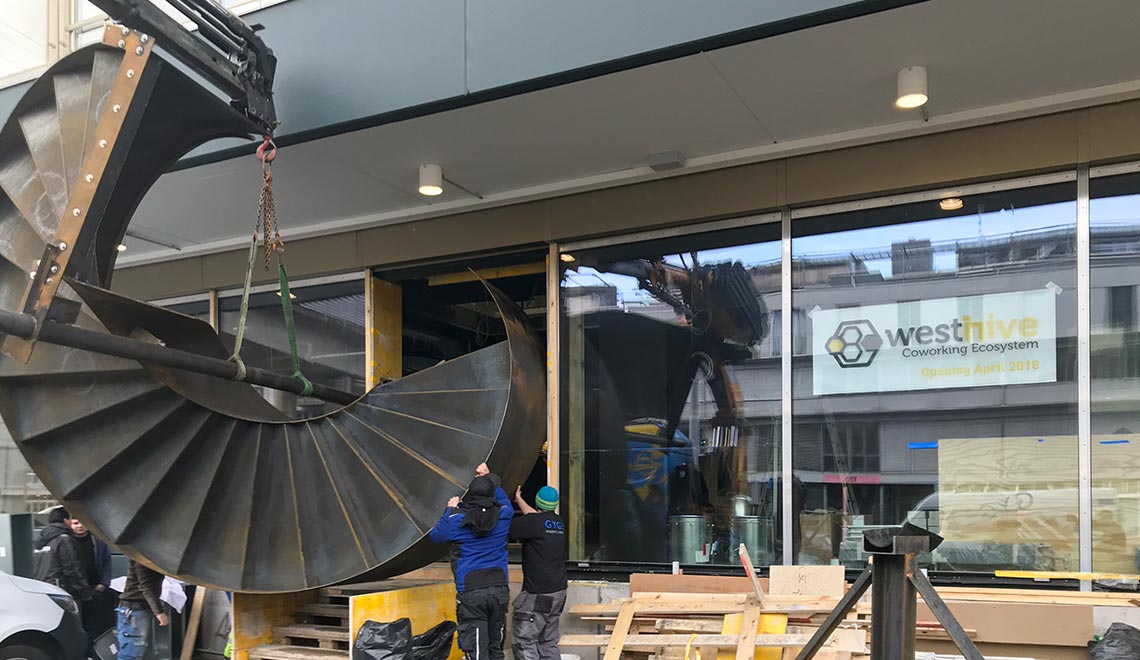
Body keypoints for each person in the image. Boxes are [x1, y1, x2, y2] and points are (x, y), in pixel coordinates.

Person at [429, 462, 512, 660]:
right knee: (495, 650)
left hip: (472, 591)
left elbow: (436, 537)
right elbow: (504, 501)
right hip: (499, 588)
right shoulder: (504, 515)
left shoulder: (457, 520)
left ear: (471, 495)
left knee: (476, 653)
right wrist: (489, 477)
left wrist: (450, 509)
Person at [509, 485, 567, 660]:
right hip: (558, 592)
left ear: (537, 503)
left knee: (524, 641)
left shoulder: (533, 523)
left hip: (538, 594)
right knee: (547, 642)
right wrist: (519, 500)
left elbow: (506, 527)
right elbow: (534, 519)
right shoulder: (558, 522)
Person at [71, 517, 113, 658]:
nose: (80, 526)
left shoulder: (98, 541)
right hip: (75, 591)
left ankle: (91, 652)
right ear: (69, 524)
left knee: (92, 623)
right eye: (76, 523)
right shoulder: (67, 541)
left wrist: (103, 583)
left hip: (94, 588)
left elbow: (107, 561)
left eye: (82, 523)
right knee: (76, 624)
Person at [33, 507, 93, 604]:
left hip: (42, 587)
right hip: (61, 589)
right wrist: (84, 592)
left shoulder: (41, 538)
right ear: (65, 520)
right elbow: (72, 567)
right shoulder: (64, 539)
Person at [117, 559, 169, 660]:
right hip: (135, 609)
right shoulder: (142, 557)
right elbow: (146, 587)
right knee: (131, 654)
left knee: (138, 653)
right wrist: (159, 612)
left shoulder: (145, 555)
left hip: (139, 608)